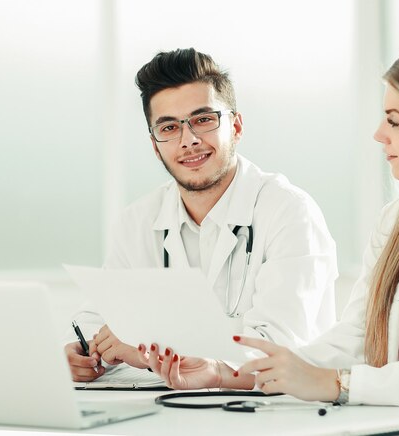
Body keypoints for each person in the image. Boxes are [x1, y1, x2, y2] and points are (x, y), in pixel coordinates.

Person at [227, 46, 399, 423]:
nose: (378, 135)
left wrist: (338, 385)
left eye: (394, 121)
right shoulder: (396, 221)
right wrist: (237, 374)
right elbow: (357, 337)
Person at [65, 48, 338, 388]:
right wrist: (84, 355)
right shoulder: (137, 221)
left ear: (236, 126)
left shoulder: (289, 212)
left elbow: (279, 348)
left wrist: (143, 350)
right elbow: (97, 318)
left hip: (273, 418)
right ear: (154, 144)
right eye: (168, 127)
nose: (189, 140)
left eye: (203, 120)